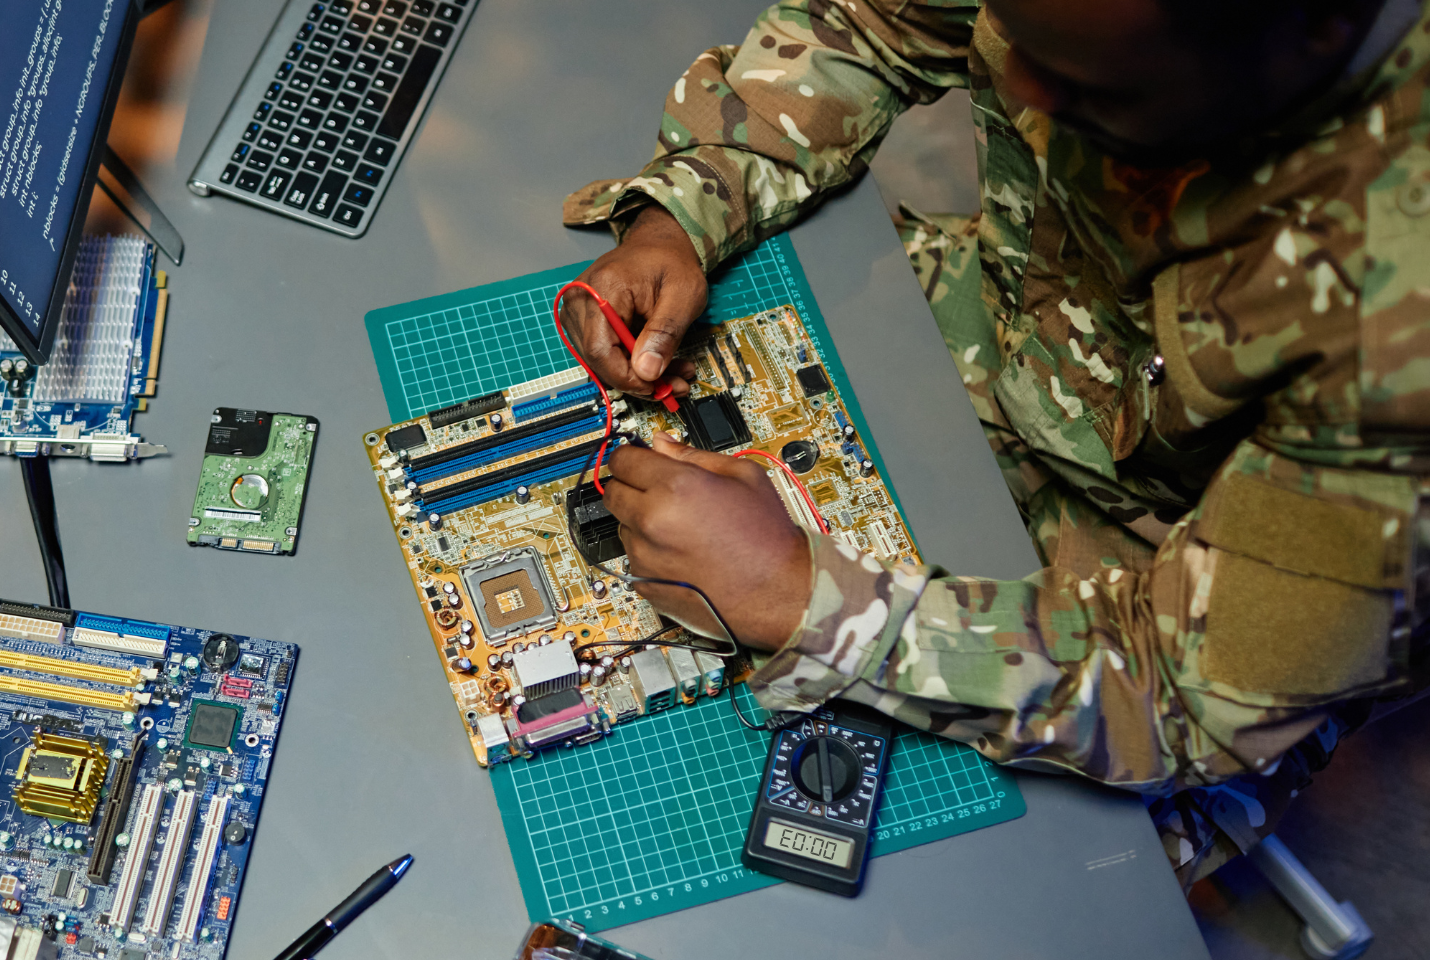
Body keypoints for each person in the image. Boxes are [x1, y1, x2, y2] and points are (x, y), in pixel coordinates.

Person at [557, 0, 1430, 885]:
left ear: (1320, 24)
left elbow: (1186, 694)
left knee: (995, 888)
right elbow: (869, 25)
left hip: (1174, 565)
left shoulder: (1403, 332)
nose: (1015, 82)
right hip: (993, 325)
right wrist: (684, 213)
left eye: (1087, 83)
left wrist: (802, 600)